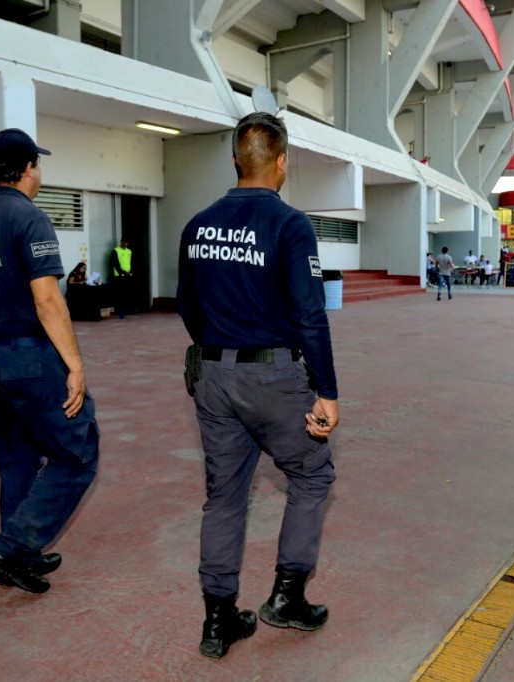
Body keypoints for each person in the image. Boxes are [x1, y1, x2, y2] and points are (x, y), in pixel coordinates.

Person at [177, 112, 338, 660]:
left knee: (223, 497)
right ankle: (287, 597)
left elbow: (187, 305)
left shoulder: (198, 225)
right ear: (282, 162)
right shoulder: (291, 226)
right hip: (272, 377)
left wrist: (218, 350)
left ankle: (218, 621)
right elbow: (310, 315)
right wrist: (327, 390)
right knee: (312, 474)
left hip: (213, 376)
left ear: (235, 161)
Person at [0, 128, 100, 594]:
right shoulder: (28, 218)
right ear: (26, 167)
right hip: (29, 358)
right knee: (77, 453)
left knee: (17, 458)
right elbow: (47, 300)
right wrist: (74, 364)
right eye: (37, 163)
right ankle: (14, 543)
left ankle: (17, 558)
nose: (40, 171)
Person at [109, 238, 133, 318]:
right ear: (121, 242)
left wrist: (129, 272)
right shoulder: (116, 250)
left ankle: (128, 310)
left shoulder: (129, 251)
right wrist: (123, 272)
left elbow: (130, 262)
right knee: (120, 294)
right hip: (119, 275)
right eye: (123, 242)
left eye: (126, 242)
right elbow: (115, 264)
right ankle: (120, 311)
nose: (125, 244)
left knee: (127, 293)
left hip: (127, 275)